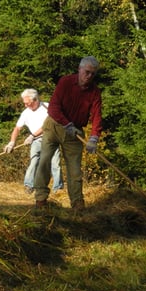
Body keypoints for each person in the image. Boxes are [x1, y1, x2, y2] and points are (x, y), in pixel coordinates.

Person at [34, 56, 103, 210]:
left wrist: (94, 137)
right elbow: (53, 108)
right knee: (44, 160)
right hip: (54, 126)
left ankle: (77, 204)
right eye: (87, 72)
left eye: (93, 74)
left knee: (75, 170)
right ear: (79, 69)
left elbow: (97, 115)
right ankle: (41, 199)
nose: (89, 76)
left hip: (75, 133)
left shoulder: (95, 92)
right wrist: (67, 124)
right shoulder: (65, 82)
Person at [3, 88, 63, 194]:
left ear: (35, 100)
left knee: (55, 163)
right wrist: (11, 142)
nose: (26, 106)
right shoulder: (26, 113)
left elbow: (47, 126)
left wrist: (32, 135)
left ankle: (57, 188)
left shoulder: (47, 107)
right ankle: (29, 185)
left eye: (27, 103)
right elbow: (17, 128)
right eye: (24, 103)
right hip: (36, 141)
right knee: (34, 161)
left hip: (51, 139)